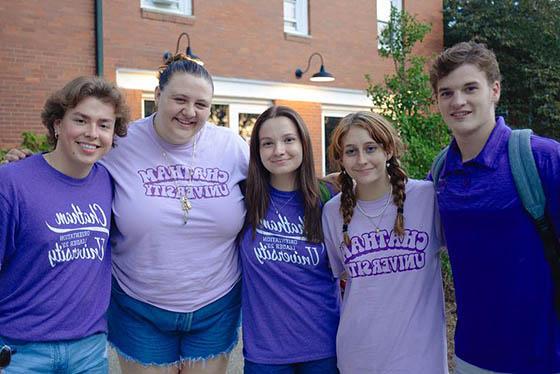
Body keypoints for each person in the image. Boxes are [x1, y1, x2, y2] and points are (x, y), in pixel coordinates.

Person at [101, 54, 249, 374]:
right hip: (138, 306)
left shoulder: (232, 147)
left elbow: (281, 183)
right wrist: (25, 166)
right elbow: (68, 170)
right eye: (179, 99)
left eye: (201, 104)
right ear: (157, 96)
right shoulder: (119, 144)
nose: (189, 112)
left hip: (216, 304)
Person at [429, 41, 560, 373]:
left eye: (470, 88)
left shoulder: (542, 157)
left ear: (495, 90)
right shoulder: (440, 171)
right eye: (446, 93)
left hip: (544, 356)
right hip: (472, 354)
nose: (458, 101)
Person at [0, 76, 129, 373]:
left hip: (89, 350)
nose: (92, 133)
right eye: (81, 120)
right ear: (57, 124)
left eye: (104, 125)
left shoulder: (109, 182)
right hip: (22, 353)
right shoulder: (13, 183)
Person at [322, 111, 448, 374]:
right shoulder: (333, 212)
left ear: (388, 150)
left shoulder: (426, 198)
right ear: (341, 159)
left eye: (371, 148)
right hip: (358, 356)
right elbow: (340, 276)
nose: (362, 159)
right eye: (351, 151)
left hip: (420, 358)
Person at [239, 106, 339, 373]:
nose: (279, 150)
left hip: (324, 346)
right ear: (257, 151)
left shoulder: (329, 197)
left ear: (303, 143)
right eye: (267, 143)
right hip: (265, 353)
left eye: (288, 140)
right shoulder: (244, 198)